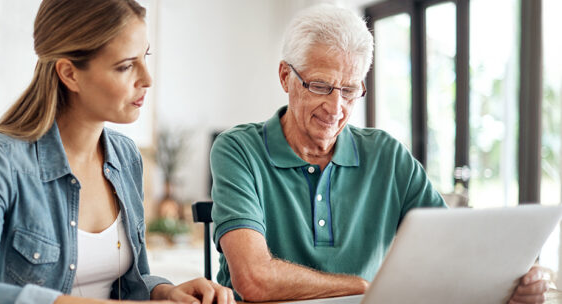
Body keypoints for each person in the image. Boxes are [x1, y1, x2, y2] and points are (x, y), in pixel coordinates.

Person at [209, 4, 549, 304]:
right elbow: (253, 279)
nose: (336, 107)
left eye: (350, 90)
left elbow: (455, 255)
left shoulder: (386, 155)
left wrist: (512, 286)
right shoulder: (239, 149)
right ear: (286, 77)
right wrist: (359, 287)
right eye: (321, 86)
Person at [0, 1, 234, 304]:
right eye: (126, 66)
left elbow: (130, 282)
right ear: (70, 74)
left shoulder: (125, 156)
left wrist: (165, 292)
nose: (147, 79)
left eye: (145, 57)